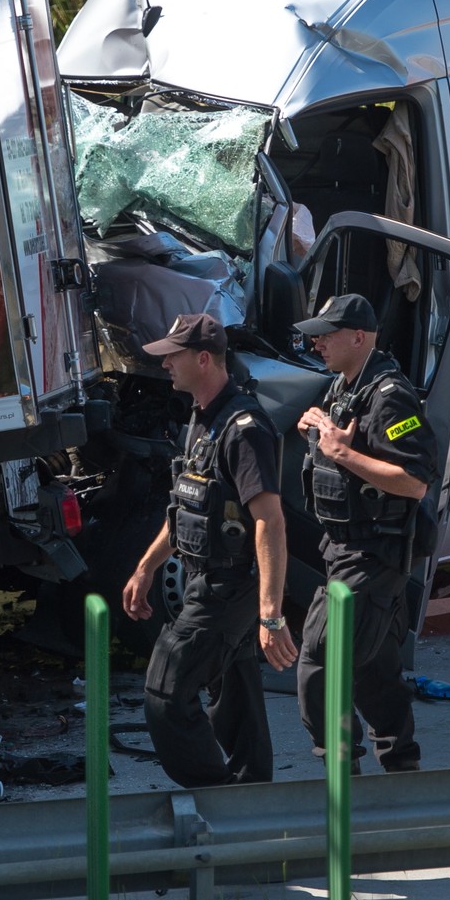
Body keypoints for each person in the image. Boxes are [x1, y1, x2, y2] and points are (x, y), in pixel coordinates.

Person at [122, 313, 298, 788]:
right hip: (208, 577)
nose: (166, 367)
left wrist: (270, 615)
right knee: (234, 693)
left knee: (165, 689)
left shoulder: (244, 428)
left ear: (203, 359)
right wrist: (145, 570)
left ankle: (214, 797)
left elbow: (269, 520)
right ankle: (252, 795)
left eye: (173, 357)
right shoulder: (203, 421)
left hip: (230, 586)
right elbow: (185, 510)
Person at [294, 293, 438, 774]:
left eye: (327, 334)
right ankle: (402, 773)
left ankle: (342, 776)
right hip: (342, 547)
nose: (317, 343)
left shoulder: (391, 396)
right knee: (374, 669)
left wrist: (341, 454)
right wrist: (316, 432)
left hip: (373, 553)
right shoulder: (346, 384)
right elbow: (340, 444)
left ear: (359, 337)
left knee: (320, 662)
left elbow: (415, 481)